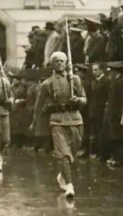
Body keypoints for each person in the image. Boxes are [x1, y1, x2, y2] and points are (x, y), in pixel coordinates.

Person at [34, 51, 87, 198]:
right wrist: (35, 122)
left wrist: (78, 100)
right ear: (52, 64)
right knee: (64, 154)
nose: (59, 63)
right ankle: (70, 185)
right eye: (56, 61)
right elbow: (39, 106)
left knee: (73, 151)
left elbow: (84, 98)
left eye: (62, 61)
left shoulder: (74, 79)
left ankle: (62, 175)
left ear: (66, 63)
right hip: (57, 120)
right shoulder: (47, 84)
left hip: (76, 118)